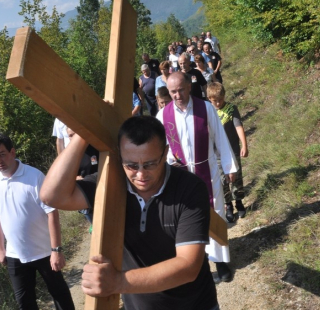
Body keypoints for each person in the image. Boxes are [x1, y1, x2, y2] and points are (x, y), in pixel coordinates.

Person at [40, 116, 219, 310]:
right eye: (131, 165)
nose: (141, 175)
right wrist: (83, 133)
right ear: (120, 156)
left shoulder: (189, 189)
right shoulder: (110, 184)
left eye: (150, 164)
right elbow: (51, 195)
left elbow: (188, 266)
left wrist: (117, 282)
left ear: (165, 152)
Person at [156, 72, 238, 283]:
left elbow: (220, 137)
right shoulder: (162, 116)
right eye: (173, 92)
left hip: (207, 171)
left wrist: (230, 166)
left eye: (180, 90)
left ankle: (220, 262)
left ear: (189, 87)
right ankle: (198, 264)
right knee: (188, 219)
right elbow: (161, 148)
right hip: (180, 176)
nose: (177, 95)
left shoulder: (205, 108)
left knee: (215, 213)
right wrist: (166, 165)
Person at [0, 133, 74, 310]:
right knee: (25, 302)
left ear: (12, 152)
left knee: (59, 294)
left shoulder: (34, 177)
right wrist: (1, 249)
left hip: (44, 251)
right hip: (14, 254)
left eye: (2, 154)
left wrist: (56, 250)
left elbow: (51, 213)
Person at [207, 82, 248, 221]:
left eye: (220, 99)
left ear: (224, 96)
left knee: (236, 179)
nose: (218, 103)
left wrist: (244, 144)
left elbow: (238, 127)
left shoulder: (231, 109)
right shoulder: (209, 112)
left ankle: (239, 202)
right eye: (214, 101)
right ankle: (228, 205)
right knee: (223, 181)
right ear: (209, 99)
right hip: (216, 154)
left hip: (233, 151)